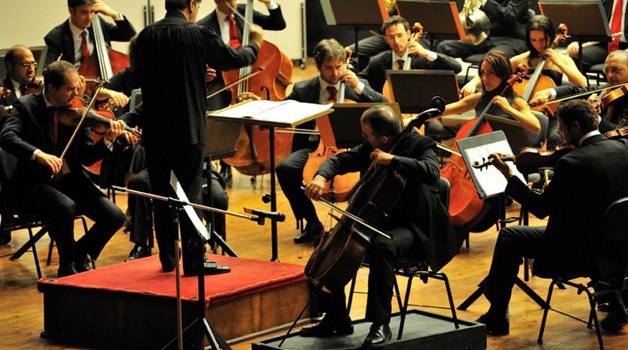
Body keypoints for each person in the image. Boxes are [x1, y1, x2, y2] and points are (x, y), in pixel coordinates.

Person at [301, 105, 457, 347]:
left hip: (418, 228)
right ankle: (336, 318)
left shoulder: (420, 144)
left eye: (367, 135)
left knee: (381, 247)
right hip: (382, 222)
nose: (363, 139)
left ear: (383, 138)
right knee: (330, 241)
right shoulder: (374, 146)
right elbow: (342, 160)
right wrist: (321, 176)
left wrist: (393, 160)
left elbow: (432, 172)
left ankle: (380, 325)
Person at [132, 0, 263, 276]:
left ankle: (168, 258)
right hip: (188, 131)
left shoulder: (145, 36)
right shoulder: (197, 33)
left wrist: (194, 75)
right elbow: (234, 59)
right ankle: (194, 260)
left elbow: (154, 80)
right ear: (192, 4)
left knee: (160, 196)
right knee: (190, 197)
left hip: (155, 131)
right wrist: (255, 44)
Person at [477, 99, 628, 335]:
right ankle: (615, 302)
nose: (560, 134)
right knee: (593, 226)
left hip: (578, 254)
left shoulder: (572, 162)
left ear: (575, 127)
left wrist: (510, 177)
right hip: (618, 251)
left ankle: (496, 316)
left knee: (509, 236)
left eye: (562, 128)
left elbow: (540, 208)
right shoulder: (623, 148)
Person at [0, 60, 127, 277]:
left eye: (77, 87)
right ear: (51, 88)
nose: (76, 93)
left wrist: (107, 140)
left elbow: (86, 156)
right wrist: (38, 155)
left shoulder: (77, 111)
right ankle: (66, 268)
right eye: (70, 89)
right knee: (65, 206)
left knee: (114, 215)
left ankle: (81, 253)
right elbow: (6, 136)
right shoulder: (26, 106)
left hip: (70, 181)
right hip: (33, 184)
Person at [276, 38, 387, 244]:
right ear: (317, 66)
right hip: (315, 148)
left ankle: (356, 227)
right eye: (328, 68)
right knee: (285, 169)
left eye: (338, 67)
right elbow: (282, 111)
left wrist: (359, 86)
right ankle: (313, 223)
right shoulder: (303, 90)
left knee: (373, 169)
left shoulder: (356, 87)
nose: (335, 73)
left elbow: (385, 106)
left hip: (353, 149)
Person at [460, 15, 587, 148]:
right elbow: (494, 68)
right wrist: (473, 82)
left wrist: (559, 63)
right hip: (520, 113)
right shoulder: (521, 59)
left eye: (543, 40)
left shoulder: (562, 60)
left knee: (555, 137)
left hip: (549, 116)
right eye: (533, 40)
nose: (538, 45)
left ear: (550, 36)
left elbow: (582, 84)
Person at [197, 0, 286, 182]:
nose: (233, 3)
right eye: (229, 0)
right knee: (216, 114)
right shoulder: (204, 26)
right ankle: (223, 163)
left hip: (253, 76)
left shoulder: (245, 12)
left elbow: (278, 24)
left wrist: (270, 3)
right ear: (217, 1)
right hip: (222, 81)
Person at [358, 15, 461, 142]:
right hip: (389, 113)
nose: (396, 41)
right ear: (386, 39)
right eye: (391, 37)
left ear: (408, 34)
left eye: (400, 35)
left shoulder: (422, 59)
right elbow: (361, 79)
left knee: (435, 128)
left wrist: (426, 53)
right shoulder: (379, 61)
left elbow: (456, 67)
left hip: (422, 113)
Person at [440, 51, 540, 134]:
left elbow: (536, 127)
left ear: (503, 74)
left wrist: (508, 109)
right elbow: (443, 110)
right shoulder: (479, 99)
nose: (484, 78)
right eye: (483, 72)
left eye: (491, 73)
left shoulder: (516, 102)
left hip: (504, 155)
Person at [530, 50, 628, 134]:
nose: (610, 75)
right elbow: (575, 90)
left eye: (615, 70)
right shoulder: (608, 89)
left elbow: (622, 132)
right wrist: (548, 93)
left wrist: (594, 117)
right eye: (606, 71)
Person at [44, 0, 136, 67]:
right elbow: (47, 70)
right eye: (84, 12)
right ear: (71, 11)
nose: (89, 18)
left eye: (92, 12)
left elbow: (129, 35)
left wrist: (115, 15)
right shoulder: (55, 37)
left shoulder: (98, 23)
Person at [435, 0, 530, 59]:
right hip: (486, 38)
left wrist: (484, 2)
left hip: (510, 40)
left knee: (493, 58)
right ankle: (445, 87)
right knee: (443, 47)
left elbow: (509, 16)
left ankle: (481, 88)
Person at [564, 0, 628, 73]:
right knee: (574, 57)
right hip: (605, 45)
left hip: (626, 47)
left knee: (620, 62)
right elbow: (592, 25)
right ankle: (582, 84)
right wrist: (578, 42)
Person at [1, 46, 42, 122]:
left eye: (33, 64)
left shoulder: (38, 87)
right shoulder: (2, 89)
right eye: (25, 64)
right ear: (10, 66)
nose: (31, 70)